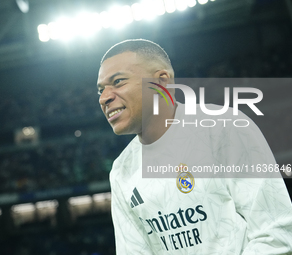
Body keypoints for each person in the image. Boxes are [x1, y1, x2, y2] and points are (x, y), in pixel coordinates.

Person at [96, 39, 292, 254]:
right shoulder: (121, 170)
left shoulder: (223, 128)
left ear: (161, 82)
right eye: (100, 90)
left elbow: (277, 232)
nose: (105, 97)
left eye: (118, 81)